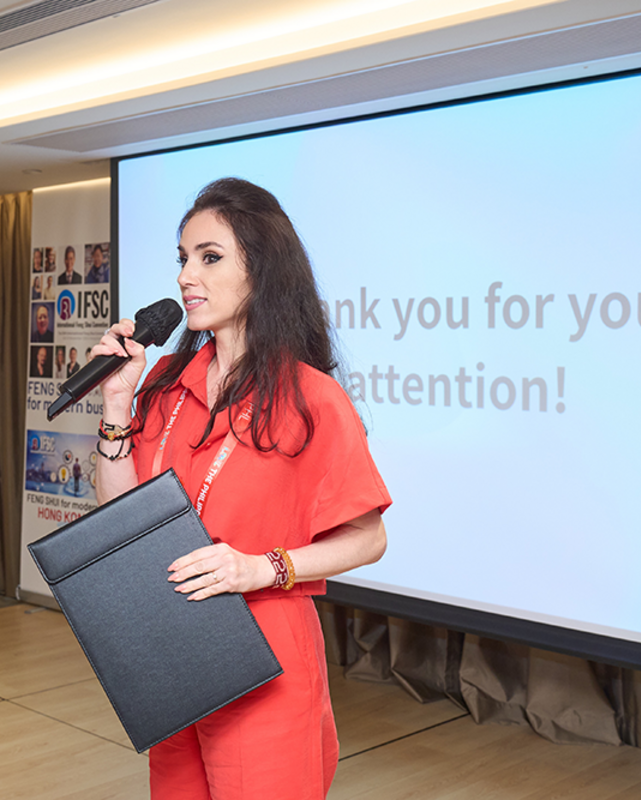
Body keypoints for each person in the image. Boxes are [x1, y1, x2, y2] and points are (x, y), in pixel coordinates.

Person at [91, 177, 389, 799]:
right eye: (183, 258)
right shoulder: (166, 383)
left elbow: (368, 539)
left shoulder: (312, 399)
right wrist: (117, 405)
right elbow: (121, 518)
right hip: (175, 651)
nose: (185, 277)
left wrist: (259, 568)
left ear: (263, 269)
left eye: (210, 257)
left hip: (266, 655)